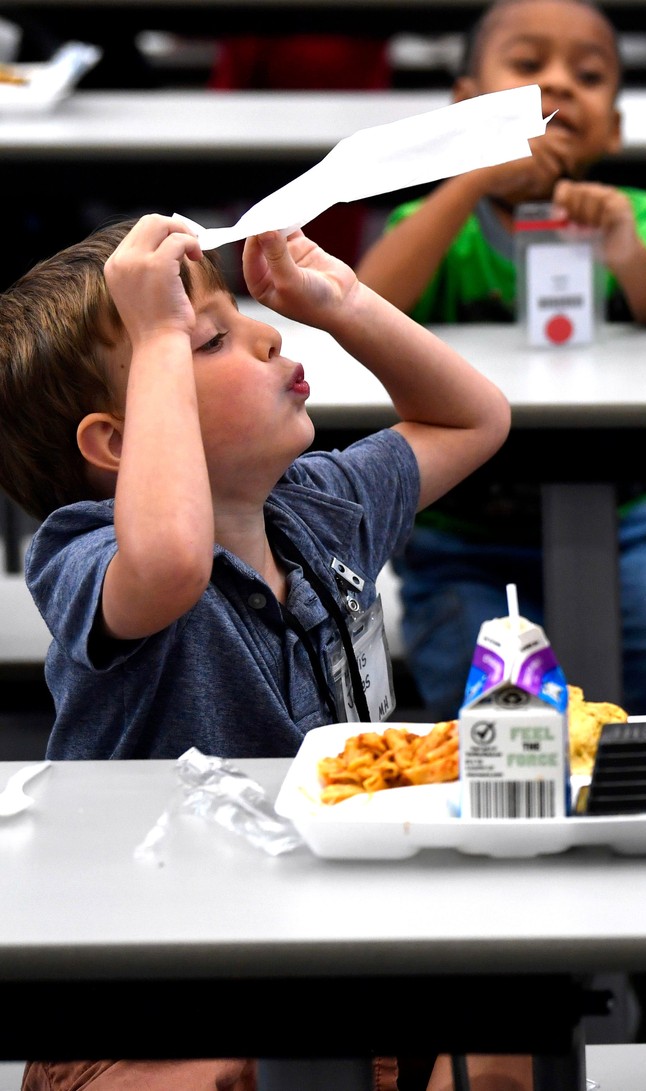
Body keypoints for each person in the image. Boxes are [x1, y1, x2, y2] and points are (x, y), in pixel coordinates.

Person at [0, 213, 509, 1083]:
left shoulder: (313, 506)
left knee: (503, 1033)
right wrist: (158, 328)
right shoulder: (89, 551)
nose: (268, 337)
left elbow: (473, 419)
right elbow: (170, 561)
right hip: (149, 990)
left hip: (325, 941)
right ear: (118, 444)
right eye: (212, 342)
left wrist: (343, 301)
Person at [356, 0, 646, 723]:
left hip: (621, 530)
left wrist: (622, 250)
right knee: (490, 714)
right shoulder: (434, 226)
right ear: (466, 108)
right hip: (460, 542)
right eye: (526, 66)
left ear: (613, 126)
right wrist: (470, 178)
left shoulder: (630, 213)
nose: (557, 85)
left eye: (588, 75)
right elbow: (367, 299)